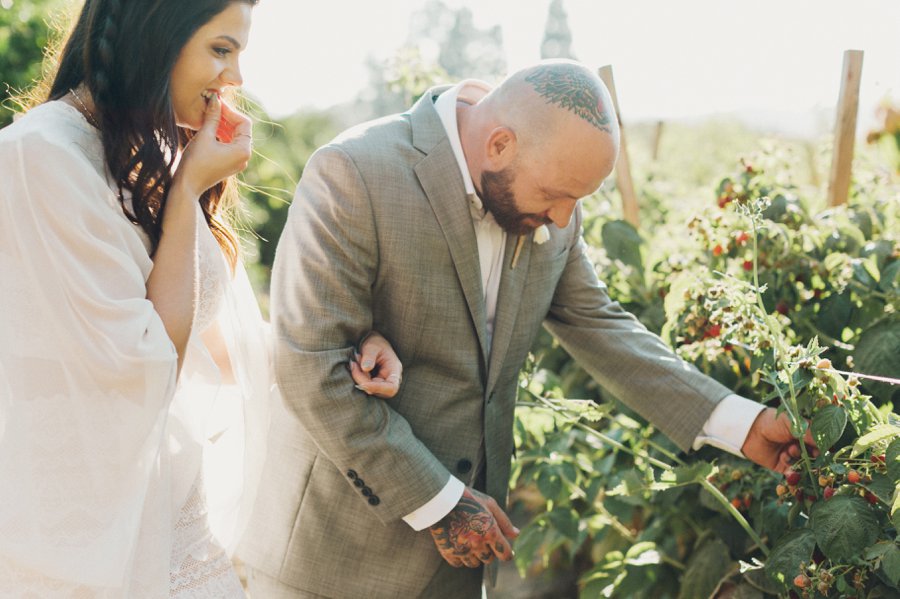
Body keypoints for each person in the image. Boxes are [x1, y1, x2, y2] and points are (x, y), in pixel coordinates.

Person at [238, 59, 817, 598]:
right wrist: (439, 502)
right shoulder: (355, 170)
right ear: (498, 144)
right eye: (556, 198)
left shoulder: (546, 191)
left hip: (463, 558)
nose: (564, 218)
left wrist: (742, 424)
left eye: (576, 202)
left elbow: (599, 324)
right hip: (334, 555)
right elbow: (310, 363)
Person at [0, 0, 402, 596]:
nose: (235, 79)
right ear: (153, 36)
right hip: (85, 536)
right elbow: (149, 357)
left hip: (173, 510)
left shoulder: (144, 155)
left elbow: (216, 346)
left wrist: (346, 352)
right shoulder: (39, 156)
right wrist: (189, 188)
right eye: (221, 50)